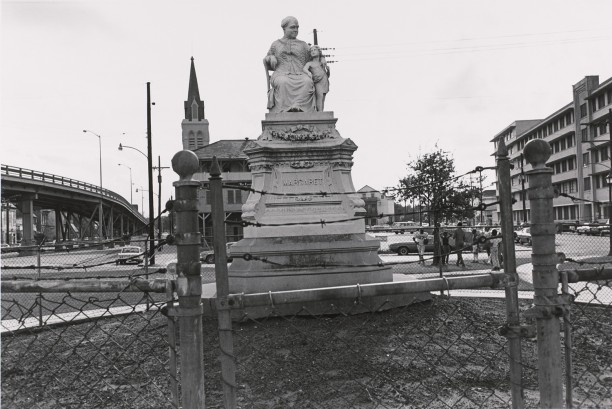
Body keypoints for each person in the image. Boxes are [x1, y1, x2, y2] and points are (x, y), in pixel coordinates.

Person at [264, 16, 315, 113]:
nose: (296, 30)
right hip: (281, 73)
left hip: (301, 73)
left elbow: (314, 58)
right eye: (292, 27)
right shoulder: (276, 44)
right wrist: (271, 58)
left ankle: (299, 106)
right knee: (283, 82)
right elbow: (267, 58)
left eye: (297, 27)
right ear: (284, 29)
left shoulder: (303, 45)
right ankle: (284, 109)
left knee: (307, 82)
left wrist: (322, 60)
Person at [303, 45, 330, 112]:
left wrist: (328, 70)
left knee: (323, 97)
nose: (313, 52)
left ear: (319, 52)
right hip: (317, 81)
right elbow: (304, 69)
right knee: (319, 96)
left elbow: (327, 75)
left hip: (324, 81)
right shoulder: (310, 63)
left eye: (315, 50)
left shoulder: (322, 62)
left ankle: (321, 111)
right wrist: (308, 73)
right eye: (311, 51)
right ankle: (319, 112)